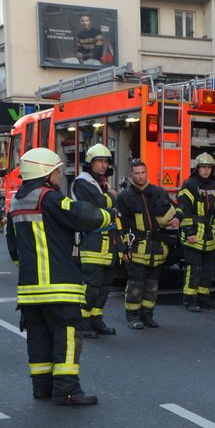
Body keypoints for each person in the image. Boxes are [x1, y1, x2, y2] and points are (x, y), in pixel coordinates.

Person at [5, 147, 113, 406]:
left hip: (30, 290)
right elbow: (82, 214)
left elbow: (14, 250)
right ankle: (67, 390)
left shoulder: (18, 203)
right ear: (45, 172)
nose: (58, 175)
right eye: (55, 171)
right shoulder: (50, 198)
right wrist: (109, 215)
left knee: (39, 337)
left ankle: (42, 387)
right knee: (66, 336)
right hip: (59, 286)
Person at [116, 158, 178, 329]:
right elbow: (121, 225)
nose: (140, 177)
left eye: (143, 173)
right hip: (136, 247)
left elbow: (175, 208)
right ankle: (132, 316)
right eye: (136, 173)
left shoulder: (159, 192)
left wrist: (177, 220)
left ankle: (148, 316)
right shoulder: (125, 197)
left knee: (152, 285)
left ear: (147, 173)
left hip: (157, 248)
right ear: (130, 175)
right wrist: (123, 249)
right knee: (136, 285)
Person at [71, 143, 121, 339]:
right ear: (90, 163)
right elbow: (97, 206)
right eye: (99, 161)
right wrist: (112, 197)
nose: (103, 165)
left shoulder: (101, 184)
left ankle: (96, 319)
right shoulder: (82, 183)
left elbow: (107, 208)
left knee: (104, 286)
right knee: (90, 286)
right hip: (91, 241)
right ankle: (82, 322)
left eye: (106, 161)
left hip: (108, 242)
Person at [178, 152, 215, 312]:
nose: (206, 170)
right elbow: (185, 211)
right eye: (203, 167)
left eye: (209, 167)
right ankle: (190, 299)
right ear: (197, 168)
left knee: (208, 269)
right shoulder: (189, 185)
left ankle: (204, 297)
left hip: (209, 235)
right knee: (194, 268)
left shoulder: (213, 185)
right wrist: (189, 232)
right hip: (194, 235)